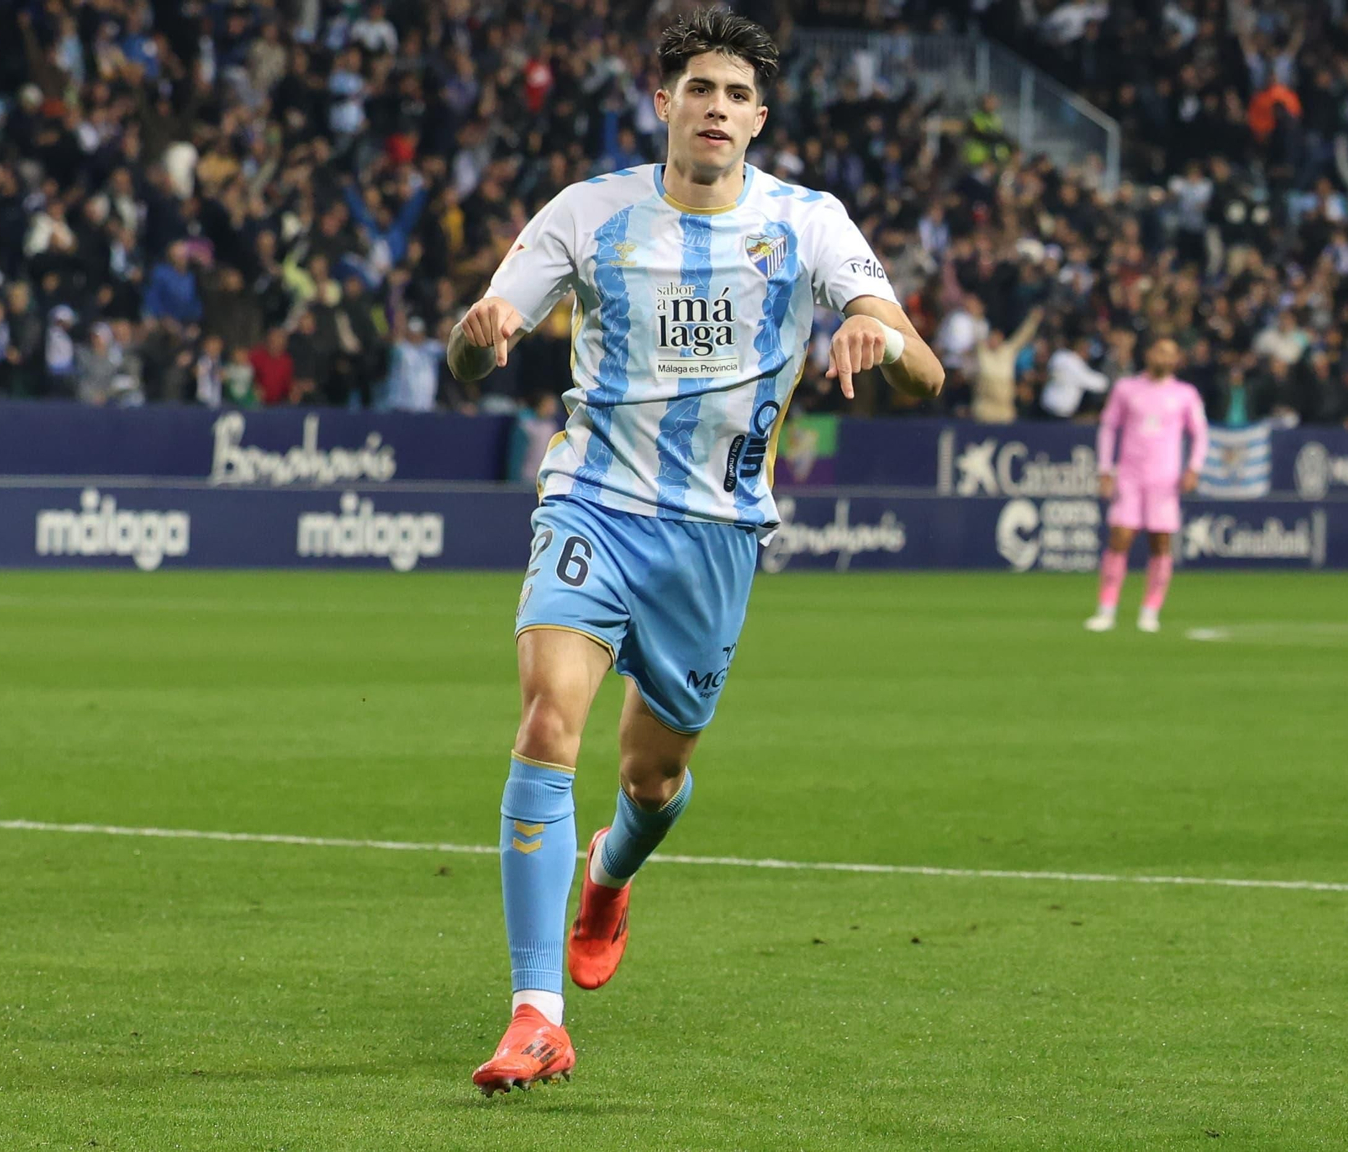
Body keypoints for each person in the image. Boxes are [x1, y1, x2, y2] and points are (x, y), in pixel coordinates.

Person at [447, 8, 943, 1096]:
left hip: (714, 534)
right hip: (592, 502)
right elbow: (477, 344)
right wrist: (476, 340)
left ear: (758, 118)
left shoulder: (807, 224)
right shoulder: (588, 213)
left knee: (654, 776)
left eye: (734, 94)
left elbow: (926, 372)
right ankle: (536, 1013)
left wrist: (883, 336)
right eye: (697, 89)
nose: (715, 107)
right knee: (545, 715)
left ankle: (611, 870)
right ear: (661, 101)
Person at [1085, 339, 1208, 634]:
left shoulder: (1185, 394)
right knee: (1120, 537)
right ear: (1149, 353)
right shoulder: (1127, 388)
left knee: (1161, 542)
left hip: (1165, 480)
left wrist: (1194, 467)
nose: (1164, 356)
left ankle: (1150, 610)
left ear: (1178, 358)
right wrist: (1105, 469)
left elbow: (1200, 433)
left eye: (1170, 351)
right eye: (1159, 350)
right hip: (1129, 475)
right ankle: (1107, 608)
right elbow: (1108, 427)